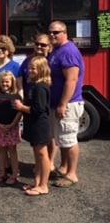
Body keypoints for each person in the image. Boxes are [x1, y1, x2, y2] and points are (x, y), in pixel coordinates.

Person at [48, 21, 85, 188]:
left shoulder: (68, 51)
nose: (52, 35)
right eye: (50, 32)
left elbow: (72, 80)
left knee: (69, 139)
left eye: (56, 32)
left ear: (65, 32)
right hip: (57, 103)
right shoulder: (57, 50)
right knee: (61, 139)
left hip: (68, 104)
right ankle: (63, 167)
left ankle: (72, 174)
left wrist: (63, 104)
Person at [16, 33, 57, 173]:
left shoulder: (52, 60)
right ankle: (40, 166)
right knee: (37, 140)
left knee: (49, 135)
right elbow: (20, 77)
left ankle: (49, 163)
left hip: (49, 103)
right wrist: (21, 94)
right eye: (37, 44)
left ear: (50, 47)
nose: (39, 47)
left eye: (43, 45)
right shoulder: (28, 60)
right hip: (31, 102)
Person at [15, 56, 51, 196]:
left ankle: (44, 185)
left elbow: (39, 109)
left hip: (39, 125)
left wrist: (21, 107)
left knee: (42, 154)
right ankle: (37, 183)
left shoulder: (40, 88)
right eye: (29, 68)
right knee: (37, 155)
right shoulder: (34, 85)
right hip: (33, 123)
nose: (30, 70)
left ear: (41, 70)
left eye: (33, 68)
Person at [0, 35, 20, 176]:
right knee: (1, 143)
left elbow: (19, 87)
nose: (0, 51)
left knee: (11, 145)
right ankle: (4, 168)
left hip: (10, 108)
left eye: (3, 48)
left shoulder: (15, 66)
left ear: (9, 50)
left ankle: (13, 171)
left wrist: (20, 105)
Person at [0, 71, 22, 185]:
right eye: (2, 81)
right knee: (1, 149)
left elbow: (19, 112)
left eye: (7, 81)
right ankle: (2, 173)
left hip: (13, 126)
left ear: (12, 82)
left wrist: (12, 124)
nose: (5, 84)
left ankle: (14, 173)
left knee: (12, 150)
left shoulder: (16, 96)